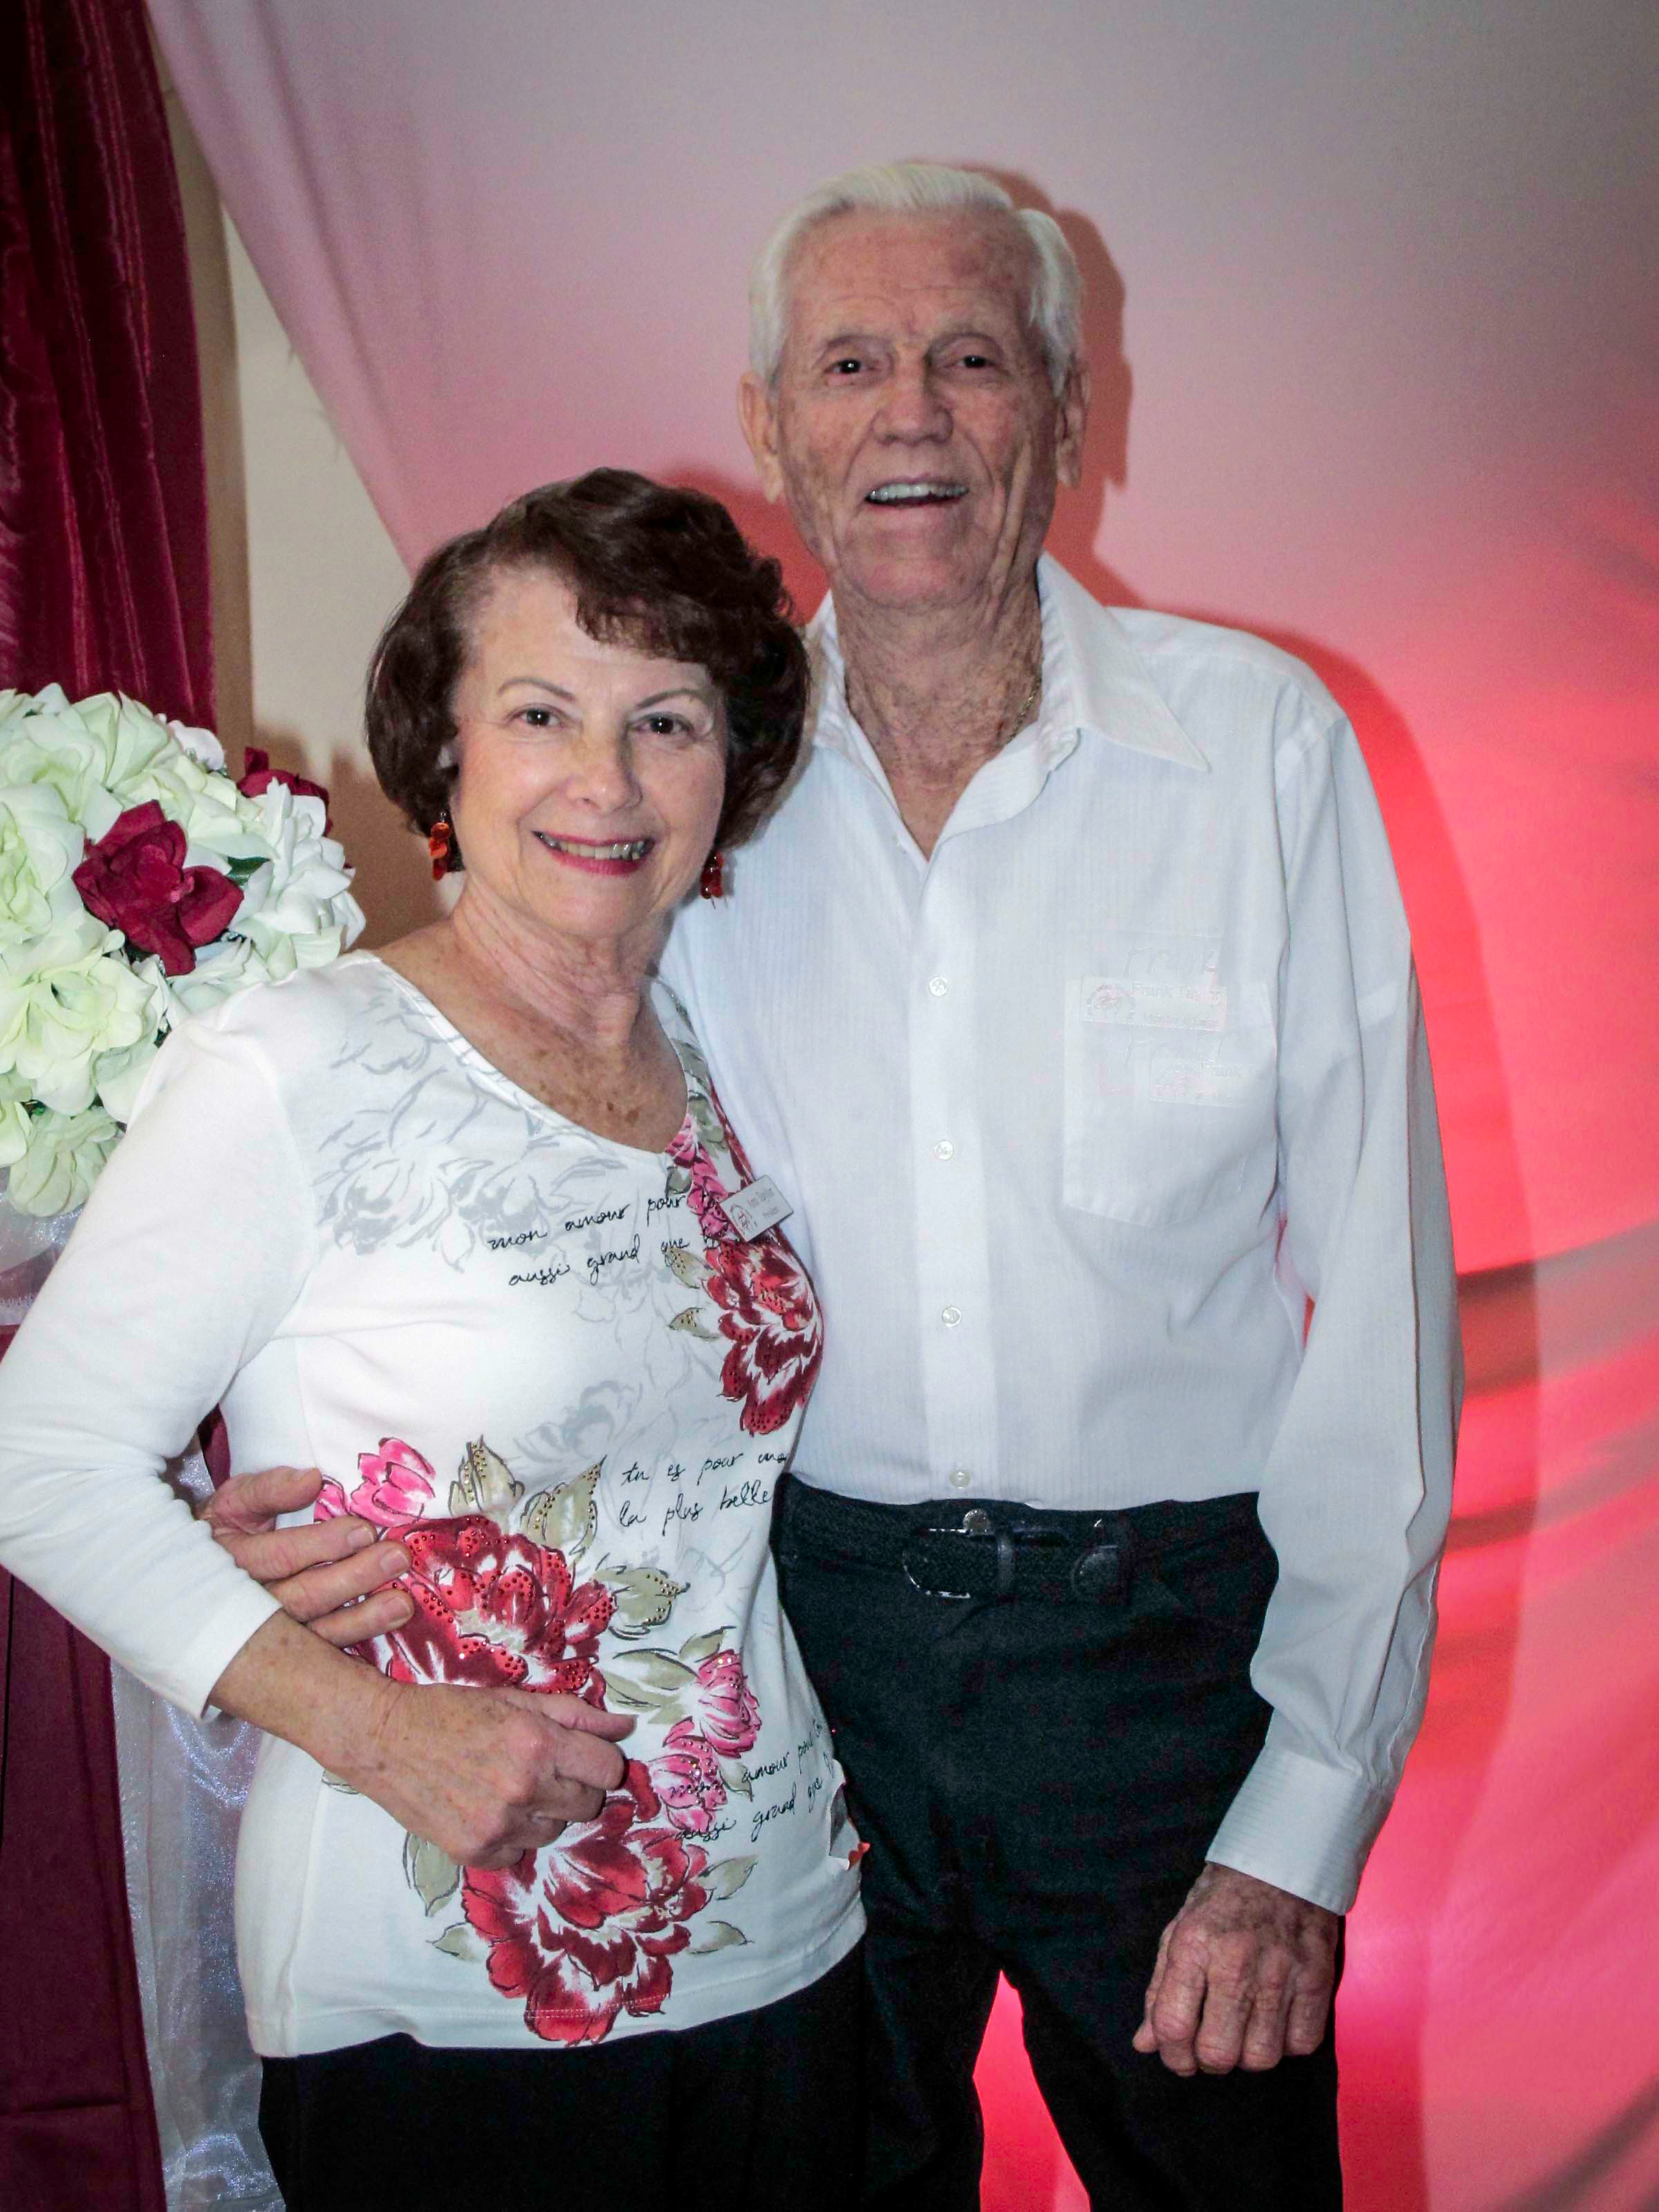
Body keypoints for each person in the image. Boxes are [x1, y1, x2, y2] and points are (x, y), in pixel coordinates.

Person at [223, 162, 1461, 2209]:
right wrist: (318, 1464)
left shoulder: (1260, 751)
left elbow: (1384, 1326)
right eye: (852, 365)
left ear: (1070, 410)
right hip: (798, 1663)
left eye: (972, 359)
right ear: (773, 421)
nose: (913, 415)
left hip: (1170, 1677)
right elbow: (530, 1170)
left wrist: (1303, 1821)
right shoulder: (685, 789)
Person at [0, 470, 866, 2210]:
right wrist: (369, 1727)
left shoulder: (720, 1065)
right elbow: (40, 1463)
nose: (605, 781)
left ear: (736, 766)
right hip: (443, 1991)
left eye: (667, 721)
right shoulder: (299, 1066)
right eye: (541, 713)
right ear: (445, 750)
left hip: (789, 1950)